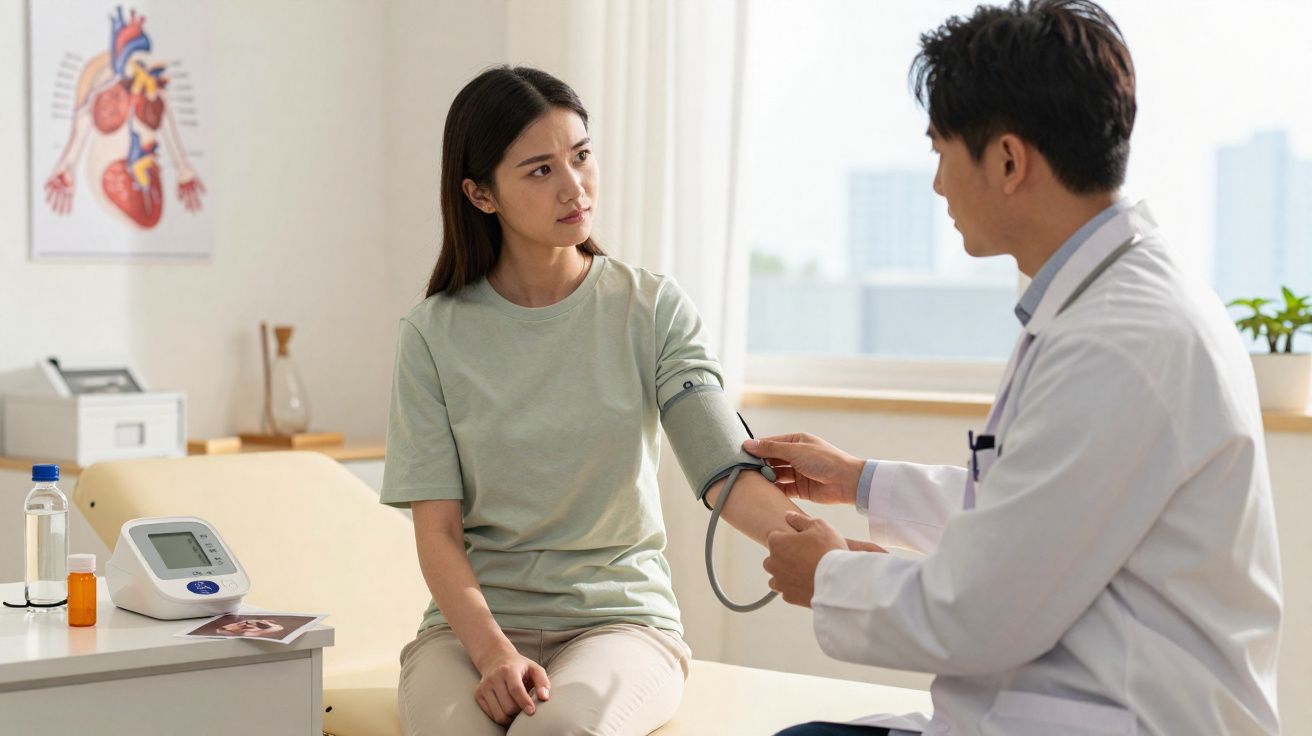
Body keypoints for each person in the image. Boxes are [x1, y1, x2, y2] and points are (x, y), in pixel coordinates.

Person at [748, 2, 1282, 734]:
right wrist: (859, 480)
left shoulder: (1119, 342)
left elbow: (980, 612)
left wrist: (831, 576)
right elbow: (1031, 512)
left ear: (1006, 160)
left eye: (941, 150)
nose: (937, 184)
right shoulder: (1110, 305)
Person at [380, 66, 803, 736]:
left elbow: (723, 469)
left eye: (581, 156)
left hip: (620, 624)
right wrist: (493, 653)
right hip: (470, 634)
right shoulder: (432, 335)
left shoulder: (653, 309)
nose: (575, 186)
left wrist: (825, 551)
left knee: (556, 730)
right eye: (540, 170)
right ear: (481, 194)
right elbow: (437, 533)